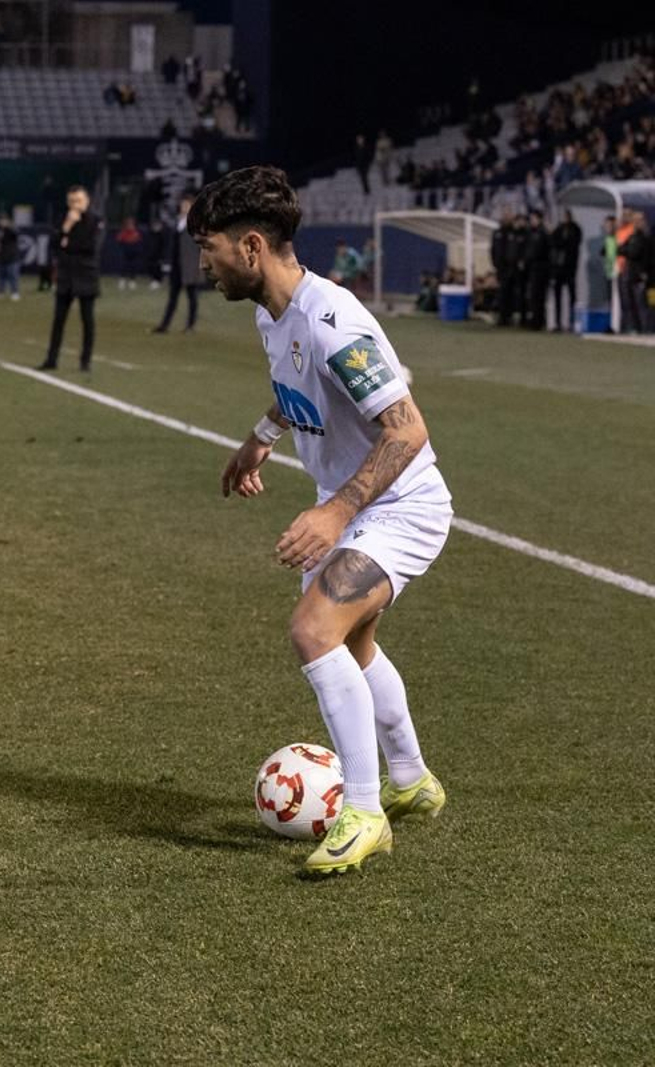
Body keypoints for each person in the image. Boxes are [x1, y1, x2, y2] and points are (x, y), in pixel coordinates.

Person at [196, 164, 450, 876]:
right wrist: (261, 437)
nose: (202, 264)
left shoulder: (333, 319)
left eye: (207, 247)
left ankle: (364, 812)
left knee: (313, 629)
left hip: (400, 506)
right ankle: (412, 781)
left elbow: (406, 429)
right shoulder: (271, 312)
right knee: (354, 645)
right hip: (359, 505)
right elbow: (294, 385)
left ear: (251, 247)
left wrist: (337, 509)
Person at [37, 185, 101, 371]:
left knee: (87, 321)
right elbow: (54, 245)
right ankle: (51, 359)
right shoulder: (62, 219)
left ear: (87, 201)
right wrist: (66, 228)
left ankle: (85, 361)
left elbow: (90, 247)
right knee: (58, 321)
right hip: (66, 276)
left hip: (86, 275)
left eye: (79, 200)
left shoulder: (95, 221)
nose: (75, 205)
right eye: (72, 201)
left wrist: (67, 243)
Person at [153, 193, 200, 333]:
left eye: (187, 205)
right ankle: (164, 325)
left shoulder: (195, 224)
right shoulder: (177, 222)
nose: (184, 207)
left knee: (192, 297)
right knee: (172, 297)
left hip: (189, 265)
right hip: (177, 265)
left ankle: (190, 326)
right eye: (183, 205)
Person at [549, 214, 581, 332]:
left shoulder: (575, 230)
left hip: (570, 269)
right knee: (557, 297)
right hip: (558, 270)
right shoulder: (559, 229)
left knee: (572, 297)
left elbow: (571, 244)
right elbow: (554, 243)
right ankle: (557, 322)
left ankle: (573, 322)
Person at [0, 213, 21, 300]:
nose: (1, 222)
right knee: (1, 276)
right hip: (1, 257)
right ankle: (0, 292)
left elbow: (16, 233)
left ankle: (15, 293)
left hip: (12, 257)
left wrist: (8, 226)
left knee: (13, 276)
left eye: (3, 220)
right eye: (0, 220)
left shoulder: (11, 228)